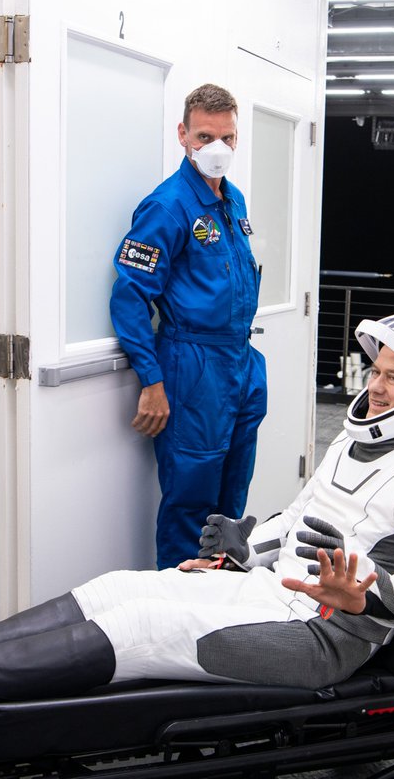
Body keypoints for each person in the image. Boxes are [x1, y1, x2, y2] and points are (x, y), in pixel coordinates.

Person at [0, 313, 394, 726]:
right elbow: (298, 518)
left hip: (324, 636)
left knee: (144, 625)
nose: (375, 387)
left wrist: (362, 588)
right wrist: (248, 542)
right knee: (119, 586)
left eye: (393, 378)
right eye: (375, 371)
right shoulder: (355, 441)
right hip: (272, 592)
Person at [110, 84, 268, 569]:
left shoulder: (232, 201)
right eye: (205, 136)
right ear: (183, 135)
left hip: (240, 362)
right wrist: (152, 380)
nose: (217, 148)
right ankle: (179, 623)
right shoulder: (168, 205)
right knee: (191, 504)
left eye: (227, 137)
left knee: (231, 505)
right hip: (193, 368)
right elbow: (130, 295)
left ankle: (220, 607)